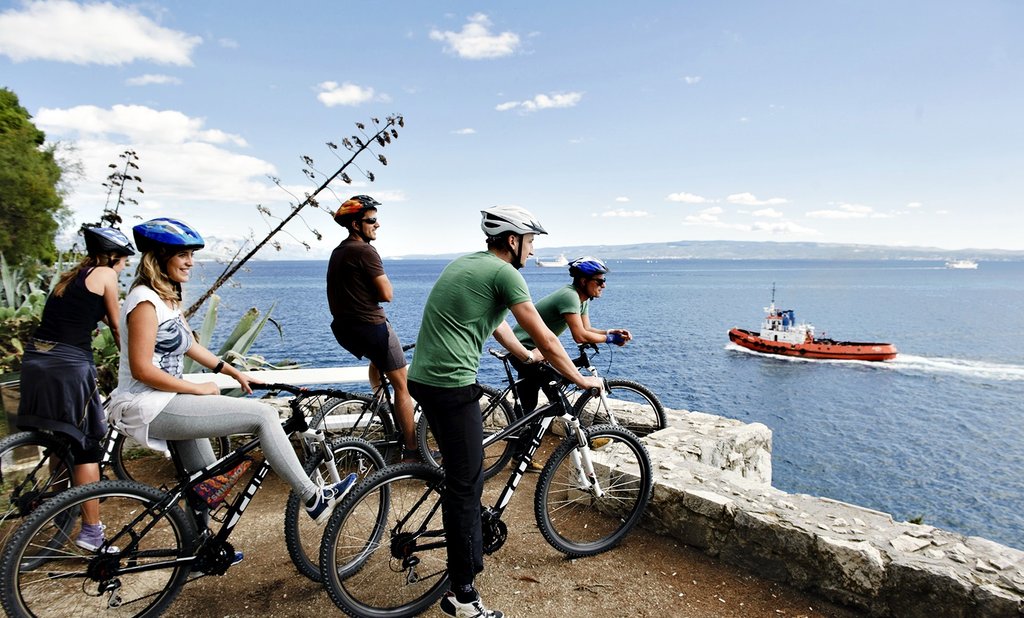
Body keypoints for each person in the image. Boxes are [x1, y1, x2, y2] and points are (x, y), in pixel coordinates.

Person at [106, 218, 356, 556]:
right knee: (264, 417)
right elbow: (142, 369)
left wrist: (233, 372)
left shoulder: (165, 299)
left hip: (163, 401)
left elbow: (190, 347)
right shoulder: (144, 302)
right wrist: (197, 389)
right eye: (183, 255)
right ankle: (314, 498)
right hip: (149, 404)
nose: (190, 262)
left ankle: (197, 551)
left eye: (191, 255)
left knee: (208, 480)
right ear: (160, 256)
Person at [407, 205, 604, 618]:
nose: (532, 252)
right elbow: (550, 338)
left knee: (462, 471)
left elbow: (495, 322)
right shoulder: (506, 274)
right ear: (512, 241)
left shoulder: (470, 264)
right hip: (450, 384)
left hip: (423, 379)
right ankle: (462, 597)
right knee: (467, 486)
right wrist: (580, 379)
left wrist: (523, 356)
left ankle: (462, 529)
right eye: (530, 243)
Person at [17, 227, 135, 552]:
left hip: (36, 360)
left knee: (61, 440)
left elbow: (69, 317)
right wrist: (134, 364)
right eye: (124, 261)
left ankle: (59, 513)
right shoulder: (106, 274)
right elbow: (116, 324)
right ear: (113, 256)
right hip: (68, 364)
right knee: (87, 447)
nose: (124, 268)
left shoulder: (69, 278)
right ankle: (92, 533)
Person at [326, 195, 417, 461]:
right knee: (403, 386)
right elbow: (387, 293)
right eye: (372, 220)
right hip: (372, 325)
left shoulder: (339, 251)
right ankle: (412, 451)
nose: (377, 225)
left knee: (379, 363)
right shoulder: (365, 251)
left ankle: (380, 403)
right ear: (356, 225)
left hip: (346, 329)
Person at [509, 256, 632, 434]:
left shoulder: (582, 299)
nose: (603, 285)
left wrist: (610, 332)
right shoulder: (570, 296)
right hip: (525, 350)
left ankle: (518, 451)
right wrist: (611, 340)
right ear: (584, 281)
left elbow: (587, 329)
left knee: (527, 405)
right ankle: (578, 435)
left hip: (537, 350)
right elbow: (580, 336)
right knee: (555, 390)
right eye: (600, 280)